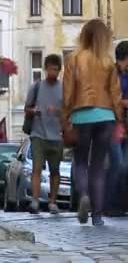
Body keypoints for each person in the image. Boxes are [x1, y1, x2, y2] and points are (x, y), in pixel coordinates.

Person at [62, 19, 124, 226]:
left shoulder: (74, 59)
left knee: (80, 161)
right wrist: (119, 119)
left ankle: (84, 196)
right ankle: (97, 215)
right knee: (98, 166)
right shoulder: (108, 62)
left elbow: (68, 93)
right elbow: (116, 94)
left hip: (81, 115)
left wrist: (65, 118)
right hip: (105, 116)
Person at [24, 54, 63, 215]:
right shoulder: (37, 87)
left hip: (56, 136)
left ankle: (52, 202)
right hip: (38, 133)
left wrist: (58, 110)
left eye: (56, 69)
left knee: (55, 170)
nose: (53, 72)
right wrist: (34, 111)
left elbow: (69, 110)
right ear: (45, 69)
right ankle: (35, 201)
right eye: (51, 69)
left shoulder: (64, 88)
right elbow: (27, 108)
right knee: (37, 168)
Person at [105, 40, 128, 216]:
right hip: (112, 124)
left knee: (125, 166)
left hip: (125, 124)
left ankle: (121, 204)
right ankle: (108, 204)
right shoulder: (110, 74)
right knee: (117, 164)